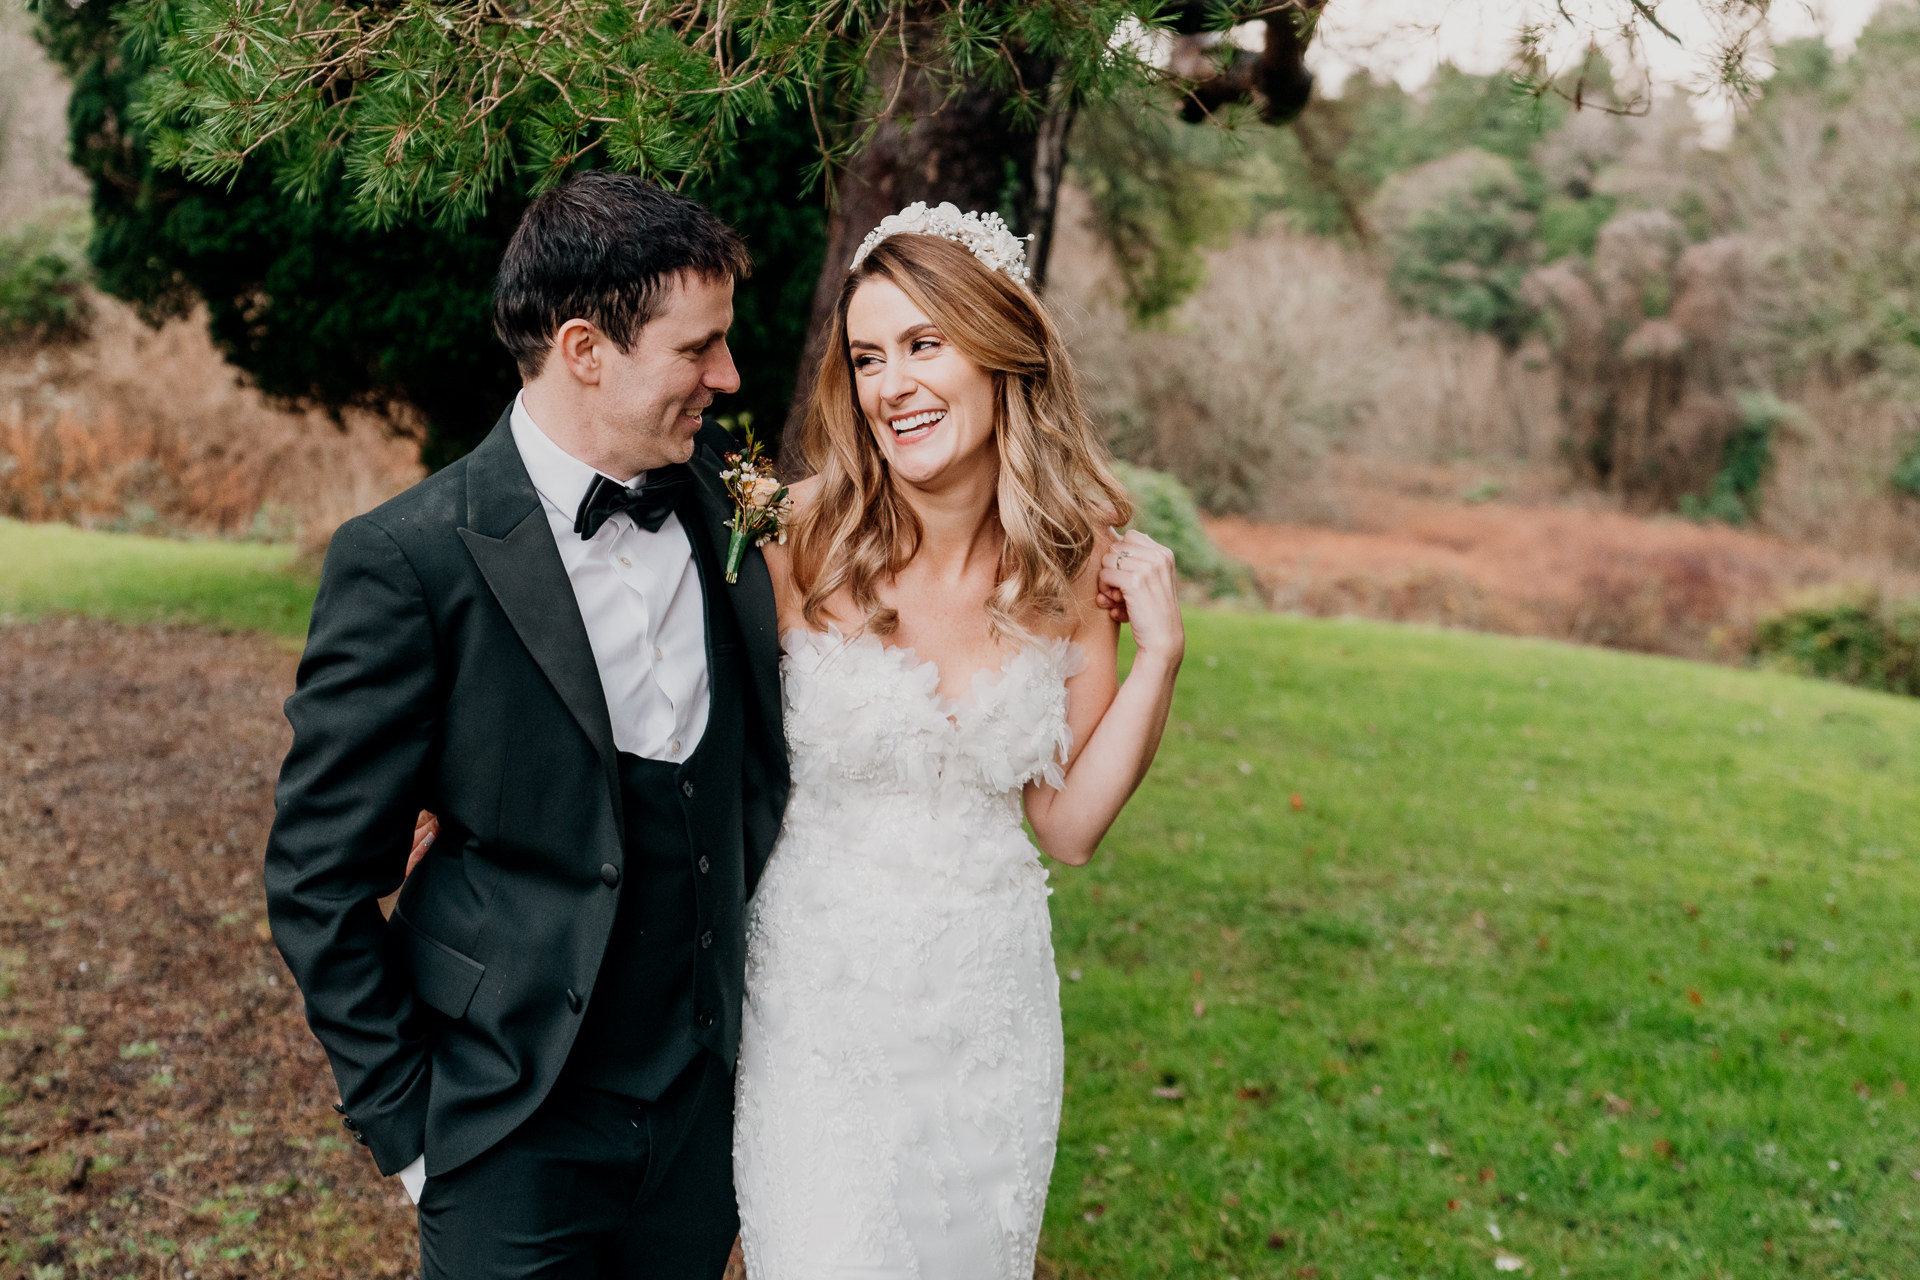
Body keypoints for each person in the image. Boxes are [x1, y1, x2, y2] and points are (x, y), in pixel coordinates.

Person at [264, 171, 789, 1279]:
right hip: (508, 1130)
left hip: (699, 1127)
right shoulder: (410, 558)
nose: (728, 377)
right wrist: (411, 1131)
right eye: (698, 349)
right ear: (585, 347)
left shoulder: (729, 516)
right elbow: (317, 877)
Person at [728, 205, 1185, 1278]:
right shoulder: (798, 533)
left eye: (925, 344)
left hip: (988, 1017)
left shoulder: (1074, 567)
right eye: (869, 356)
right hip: (815, 1006)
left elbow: (1068, 828)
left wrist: (1159, 657)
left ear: (999, 351)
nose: (893, 384)